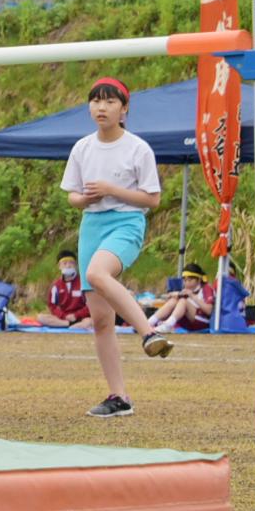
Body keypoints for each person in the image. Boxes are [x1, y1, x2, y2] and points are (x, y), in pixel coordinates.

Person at [61, 77, 171, 419]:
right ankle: (118, 397)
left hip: (126, 222)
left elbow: (152, 199)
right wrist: (88, 197)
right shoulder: (82, 148)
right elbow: (73, 197)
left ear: (124, 109)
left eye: (109, 101)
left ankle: (149, 331)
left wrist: (112, 190)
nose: (101, 107)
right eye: (95, 101)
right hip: (92, 225)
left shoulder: (138, 148)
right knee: (101, 321)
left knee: (97, 272)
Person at [147, 263, 212, 333]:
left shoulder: (206, 288)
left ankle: (168, 325)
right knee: (173, 300)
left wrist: (191, 295)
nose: (186, 283)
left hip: (202, 321)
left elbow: (209, 311)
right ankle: (148, 323)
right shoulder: (186, 289)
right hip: (188, 322)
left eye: (190, 280)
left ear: (199, 280)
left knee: (183, 301)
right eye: (185, 280)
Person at [37, 249, 90, 328]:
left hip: (81, 318)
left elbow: (90, 305)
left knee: (91, 321)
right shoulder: (56, 285)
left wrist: (76, 315)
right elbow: (52, 306)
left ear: (75, 265)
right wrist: (63, 316)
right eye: (64, 263)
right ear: (59, 266)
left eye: (71, 263)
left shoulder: (83, 283)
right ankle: (71, 325)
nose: (68, 266)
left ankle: (76, 325)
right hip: (63, 319)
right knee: (41, 317)